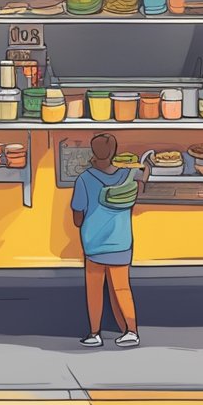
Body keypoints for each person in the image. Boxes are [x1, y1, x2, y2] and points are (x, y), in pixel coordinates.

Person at [71, 133, 142, 348]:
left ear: (93, 153)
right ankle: (131, 331)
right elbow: (146, 173)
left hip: (94, 244)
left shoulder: (84, 179)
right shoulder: (129, 175)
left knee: (94, 291)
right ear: (114, 152)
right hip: (121, 242)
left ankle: (95, 334)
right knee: (121, 289)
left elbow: (77, 216)